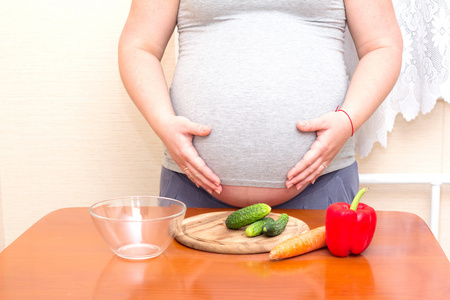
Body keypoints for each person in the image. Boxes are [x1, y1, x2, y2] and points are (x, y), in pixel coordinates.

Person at [118, 0, 402, 209]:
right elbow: (139, 46)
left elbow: (382, 45)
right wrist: (163, 123)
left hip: (321, 183)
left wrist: (348, 120)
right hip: (191, 183)